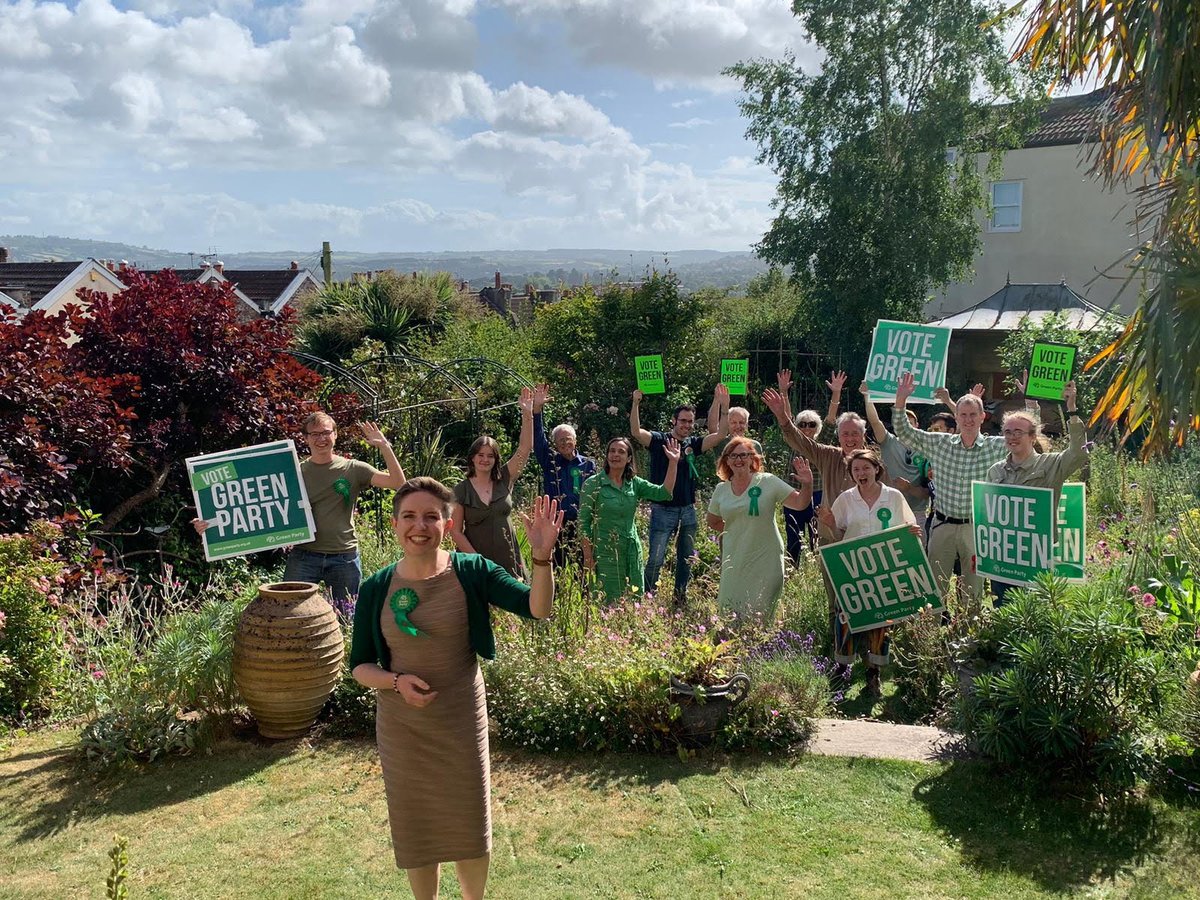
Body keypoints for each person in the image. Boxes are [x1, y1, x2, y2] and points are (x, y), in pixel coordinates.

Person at [350, 478, 563, 900]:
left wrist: (542, 557)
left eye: (431, 516)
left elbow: (538, 608)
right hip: (402, 728)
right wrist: (395, 682)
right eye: (410, 516)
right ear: (395, 525)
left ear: (447, 524)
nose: (420, 525)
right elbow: (360, 666)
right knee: (417, 824)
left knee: (468, 821)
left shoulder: (471, 571)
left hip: (461, 720)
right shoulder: (376, 587)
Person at [191, 413, 406, 608]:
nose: (321, 439)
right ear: (305, 438)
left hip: (343, 557)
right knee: (290, 613)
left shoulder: (354, 469)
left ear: (335, 435)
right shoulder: (293, 473)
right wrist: (211, 523)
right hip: (304, 556)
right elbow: (251, 502)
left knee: (345, 616)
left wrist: (384, 446)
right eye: (315, 434)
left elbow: (398, 482)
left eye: (326, 433)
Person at [892, 372, 1007, 609]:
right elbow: (905, 432)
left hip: (975, 529)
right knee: (935, 586)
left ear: (982, 417)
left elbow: (1025, 439)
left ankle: (968, 637)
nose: (968, 419)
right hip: (942, 525)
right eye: (963, 415)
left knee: (973, 589)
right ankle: (931, 635)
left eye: (973, 414)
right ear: (955, 416)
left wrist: (1032, 404)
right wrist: (901, 400)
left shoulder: (996, 446)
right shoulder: (940, 443)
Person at [817, 449, 922, 697]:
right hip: (853, 568)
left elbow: (907, 528)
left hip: (883, 569)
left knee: (881, 620)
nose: (861, 473)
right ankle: (842, 667)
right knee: (845, 616)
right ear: (851, 474)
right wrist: (830, 522)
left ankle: (873, 673)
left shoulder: (894, 497)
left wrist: (913, 533)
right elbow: (840, 535)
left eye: (866, 468)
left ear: (877, 469)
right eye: (856, 470)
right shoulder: (845, 498)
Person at [987, 378, 1087, 605]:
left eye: (1018, 432)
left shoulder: (1051, 465)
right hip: (1003, 558)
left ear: (1033, 436)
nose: (1012, 437)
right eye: (1008, 432)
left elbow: (1079, 454)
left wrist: (1072, 410)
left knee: (1036, 620)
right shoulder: (995, 472)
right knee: (1003, 614)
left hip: (1037, 558)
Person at [630, 383, 729, 606]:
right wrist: (636, 402)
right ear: (674, 421)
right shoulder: (658, 440)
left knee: (686, 559)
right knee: (656, 559)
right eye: (682, 420)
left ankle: (680, 598)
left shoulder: (694, 443)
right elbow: (636, 432)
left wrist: (724, 408)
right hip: (662, 509)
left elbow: (721, 434)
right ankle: (647, 599)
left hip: (688, 510)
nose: (686, 425)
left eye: (690, 421)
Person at [706, 437, 813, 620]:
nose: (739, 460)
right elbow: (713, 521)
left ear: (752, 459)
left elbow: (800, 503)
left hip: (766, 556)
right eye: (733, 456)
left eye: (744, 455)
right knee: (729, 607)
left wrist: (807, 484)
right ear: (727, 461)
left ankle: (761, 645)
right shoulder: (721, 489)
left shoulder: (768, 482)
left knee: (761, 609)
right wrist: (738, 528)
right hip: (735, 557)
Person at [578, 436, 680, 603]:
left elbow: (664, 493)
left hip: (631, 551)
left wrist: (673, 463)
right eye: (612, 451)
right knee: (607, 601)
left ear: (629, 458)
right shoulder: (593, 483)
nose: (615, 455)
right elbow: (583, 522)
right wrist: (588, 556)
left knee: (633, 600)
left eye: (621, 452)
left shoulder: (634, 483)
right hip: (605, 553)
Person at [451, 388, 534, 579]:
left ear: (496, 460)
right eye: (480, 455)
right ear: (472, 458)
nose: (485, 460)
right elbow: (456, 532)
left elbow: (525, 448)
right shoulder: (461, 490)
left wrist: (527, 414)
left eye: (490, 456)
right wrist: (478, 561)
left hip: (510, 561)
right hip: (476, 564)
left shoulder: (505, 477)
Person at [778, 369, 846, 562]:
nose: (807, 428)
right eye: (802, 424)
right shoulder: (793, 440)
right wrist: (783, 392)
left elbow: (831, 418)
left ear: (817, 427)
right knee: (793, 535)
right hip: (793, 493)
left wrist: (836, 392)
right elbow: (785, 418)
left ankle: (816, 570)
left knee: (816, 535)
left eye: (811, 424)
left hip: (817, 493)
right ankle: (793, 568)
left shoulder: (821, 443)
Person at [531, 383, 596, 566]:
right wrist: (537, 410)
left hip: (582, 523)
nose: (565, 443)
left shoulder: (589, 464)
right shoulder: (550, 462)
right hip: (556, 524)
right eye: (560, 440)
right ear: (555, 443)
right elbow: (537, 438)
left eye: (568, 439)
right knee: (556, 568)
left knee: (583, 570)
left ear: (575, 441)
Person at [858, 381, 931, 522]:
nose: (906, 426)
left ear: (917, 425)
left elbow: (928, 491)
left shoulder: (927, 447)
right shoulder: (888, 441)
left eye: (910, 423)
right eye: (902, 422)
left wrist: (909, 488)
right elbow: (874, 421)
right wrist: (867, 396)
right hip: (888, 509)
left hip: (917, 511)